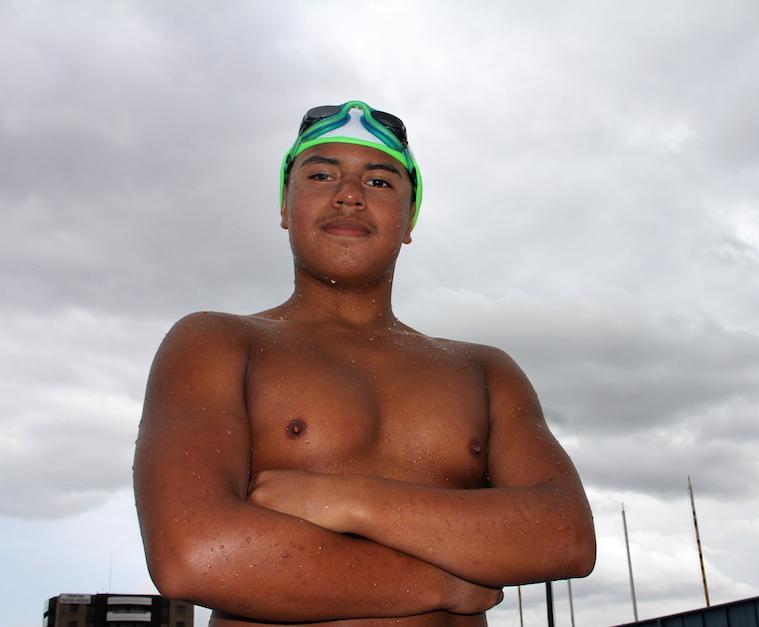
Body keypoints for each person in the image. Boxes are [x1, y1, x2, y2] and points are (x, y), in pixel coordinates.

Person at [134, 100, 596, 626]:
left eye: (379, 182)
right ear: (286, 207)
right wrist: (444, 581)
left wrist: (349, 500)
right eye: (321, 173)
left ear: (409, 219)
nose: (348, 195)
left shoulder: (485, 370)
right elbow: (196, 554)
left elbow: (566, 534)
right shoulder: (217, 342)